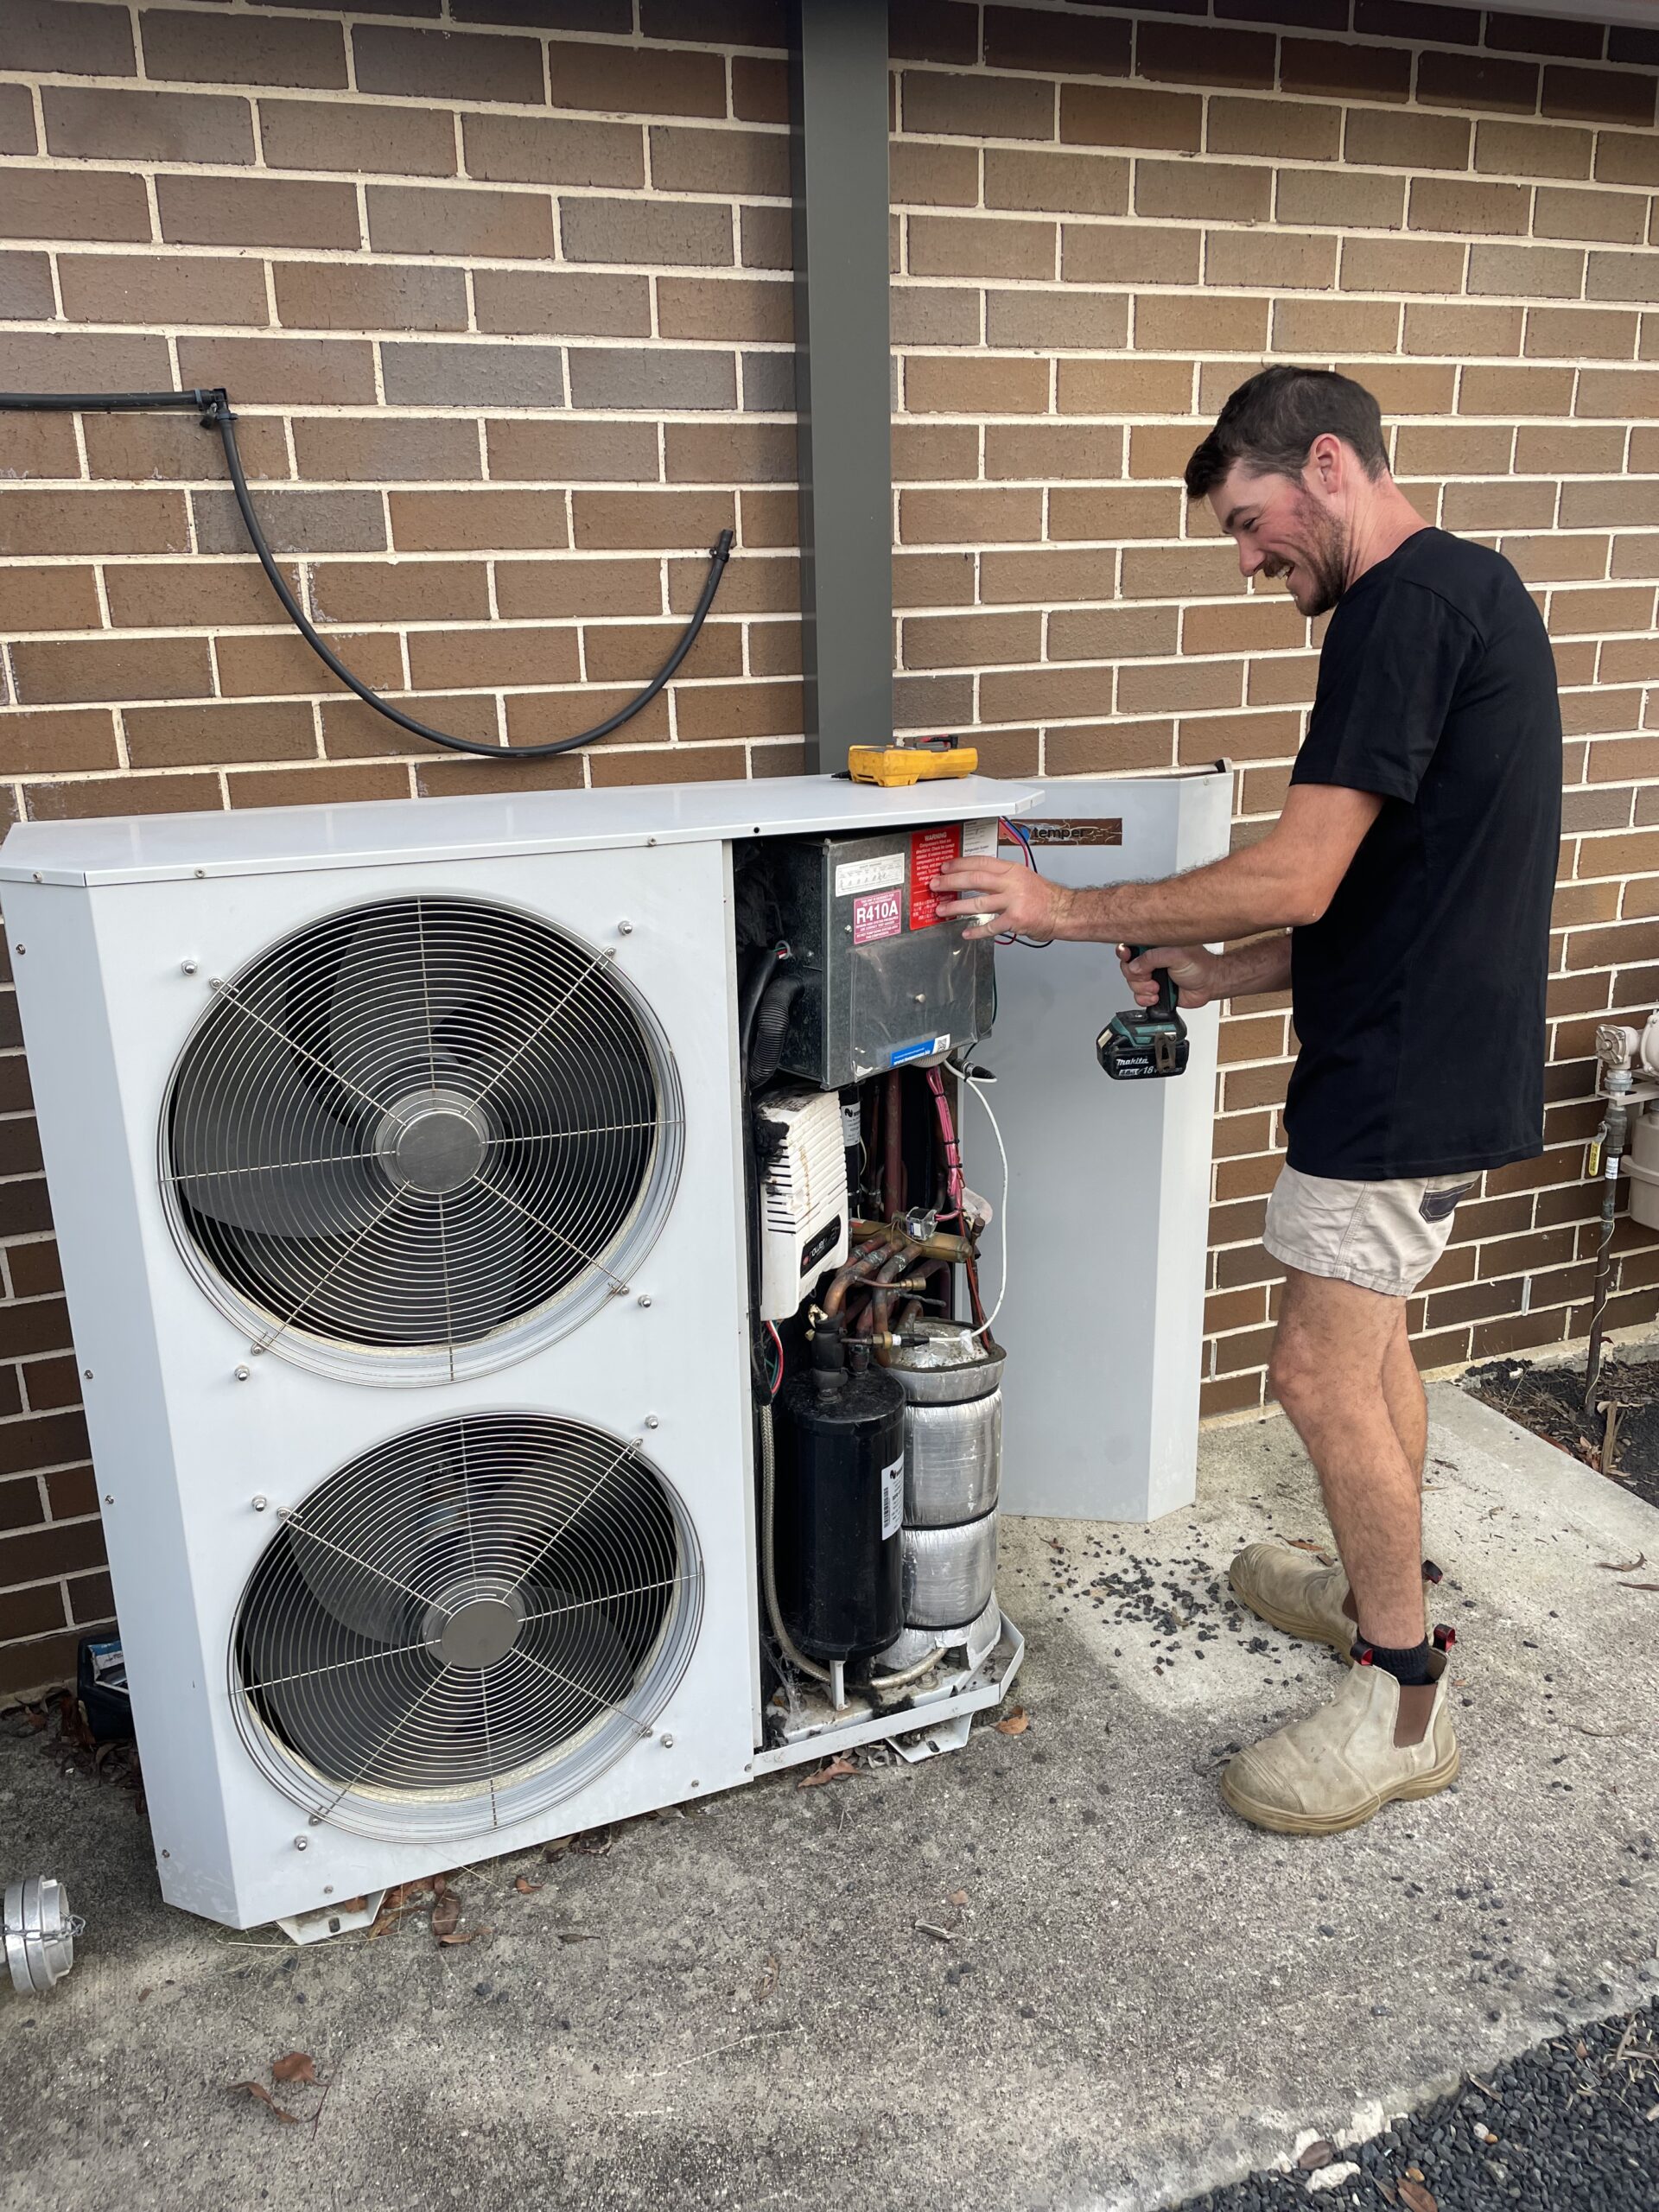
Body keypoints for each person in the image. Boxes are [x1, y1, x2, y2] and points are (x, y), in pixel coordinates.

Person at [934, 364, 1562, 1837]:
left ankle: (1403, 1697)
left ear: (1328, 465)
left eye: (1251, 517)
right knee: (1375, 1343)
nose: (1246, 554)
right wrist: (1222, 973)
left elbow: (1302, 868)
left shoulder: (1397, 610)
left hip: (1399, 1076)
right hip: (1436, 1048)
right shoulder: (1482, 591)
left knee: (1316, 1376)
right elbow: (1398, 891)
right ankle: (1367, 1591)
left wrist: (1060, 903)